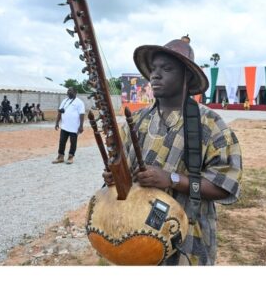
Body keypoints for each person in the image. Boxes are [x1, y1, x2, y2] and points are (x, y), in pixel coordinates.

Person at [103, 35, 242, 265]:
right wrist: (114, 176)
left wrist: (172, 179)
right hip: (135, 236)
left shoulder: (210, 125)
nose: (155, 75)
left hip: (187, 244)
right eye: (154, 69)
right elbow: (123, 174)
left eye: (166, 68)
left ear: (186, 76)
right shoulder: (135, 121)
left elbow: (225, 185)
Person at [52, 87, 85, 164]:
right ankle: (60, 157)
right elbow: (60, 112)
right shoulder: (64, 101)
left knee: (73, 142)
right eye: (68, 91)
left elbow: (82, 114)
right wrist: (57, 122)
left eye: (70, 90)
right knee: (62, 141)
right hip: (64, 126)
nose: (68, 92)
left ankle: (70, 157)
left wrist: (81, 126)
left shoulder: (79, 102)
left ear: (75, 92)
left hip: (74, 127)